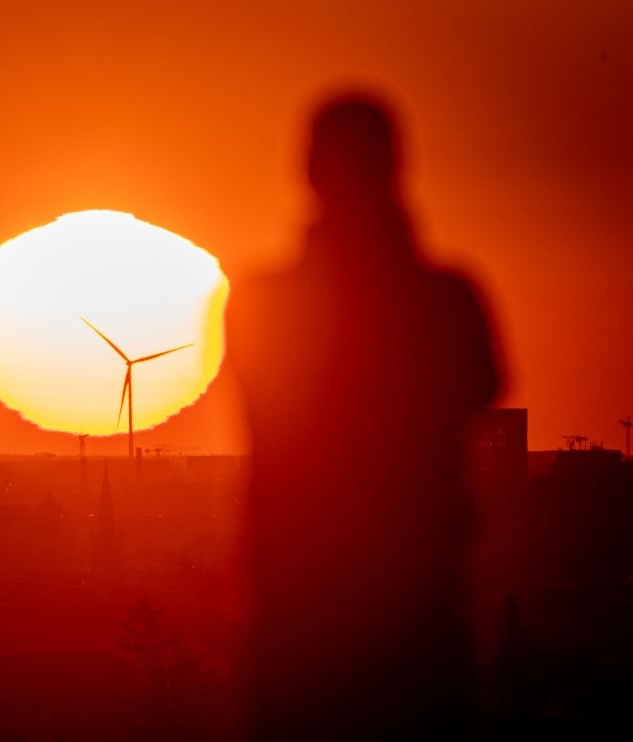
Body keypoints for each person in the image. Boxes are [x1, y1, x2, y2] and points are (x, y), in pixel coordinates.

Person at [227, 92, 501, 739]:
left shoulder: (260, 305)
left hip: (302, 624)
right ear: (398, 168)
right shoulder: (448, 301)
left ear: (307, 173)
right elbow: (480, 386)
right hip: (414, 622)